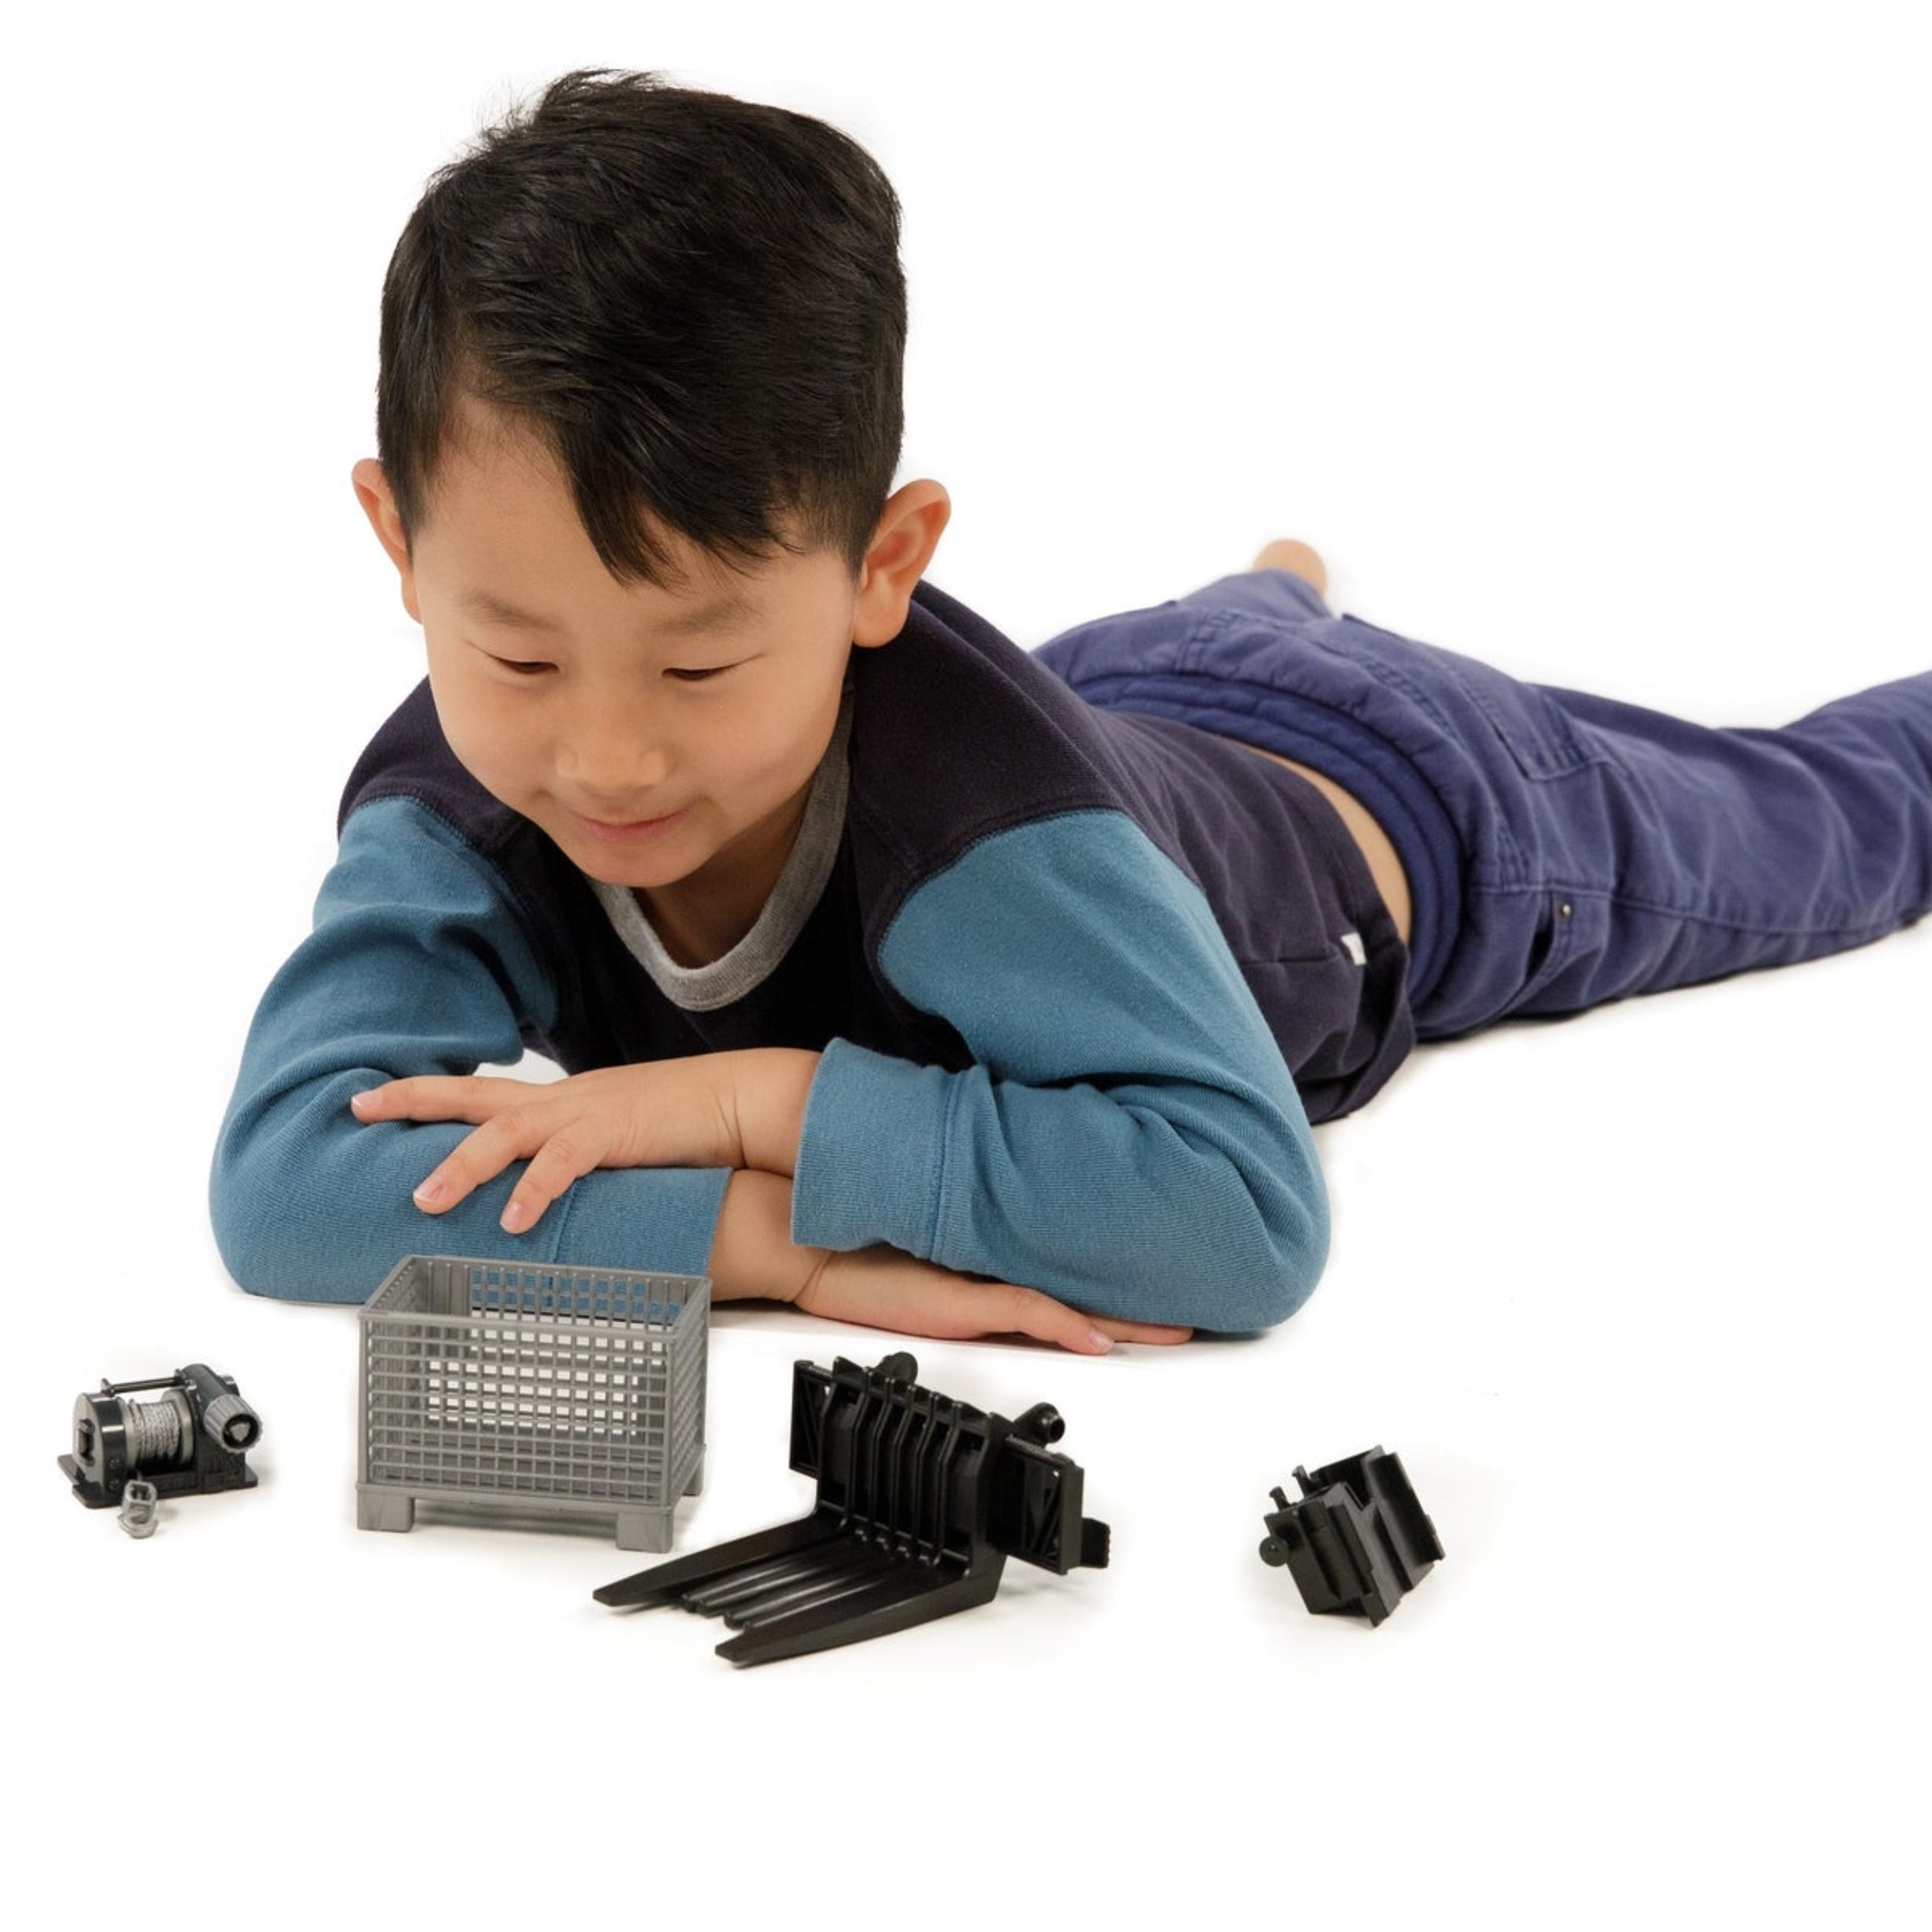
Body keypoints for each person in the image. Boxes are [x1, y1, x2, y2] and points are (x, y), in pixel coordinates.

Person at [209, 70, 1932, 1352]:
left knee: (1842, 816)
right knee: (1208, 644)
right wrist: (771, 1250)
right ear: (402, 547)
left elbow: (1240, 1221)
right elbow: (285, 1185)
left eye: (696, 664)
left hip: (1421, 800)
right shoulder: (454, 804)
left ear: (881, 570)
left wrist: (751, 1108)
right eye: (518, 656)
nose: (602, 754)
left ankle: (1288, 616)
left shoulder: (989, 846)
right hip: (1111, 700)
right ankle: (1267, 594)